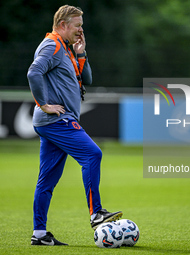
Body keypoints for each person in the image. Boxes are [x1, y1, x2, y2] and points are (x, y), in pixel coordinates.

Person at [27, 5, 122, 246]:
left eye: (82, 25)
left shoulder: (66, 49)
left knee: (47, 180)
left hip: (52, 121)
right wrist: (44, 103)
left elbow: (86, 79)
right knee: (92, 154)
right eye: (77, 25)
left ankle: (39, 235)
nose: (81, 30)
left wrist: (81, 54)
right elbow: (33, 72)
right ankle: (96, 212)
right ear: (62, 25)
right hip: (56, 119)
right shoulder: (53, 45)